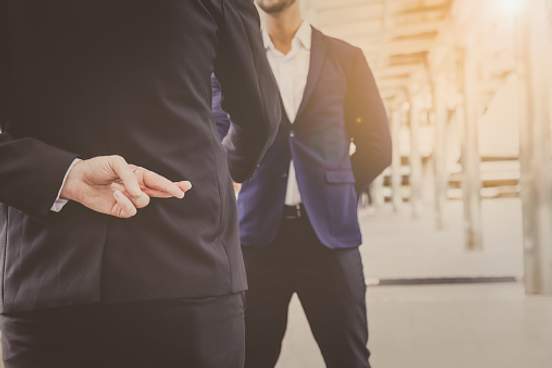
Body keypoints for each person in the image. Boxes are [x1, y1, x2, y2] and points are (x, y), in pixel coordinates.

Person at [0, 1, 280, 367]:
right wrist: (230, 173)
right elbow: (258, 113)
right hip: (185, 261)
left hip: (43, 275)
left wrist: (63, 175)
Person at [213, 0, 391, 367]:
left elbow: (377, 145)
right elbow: (214, 142)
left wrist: (338, 191)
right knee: (249, 358)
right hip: (256, 241)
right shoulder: (232, 63)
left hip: (330, 241)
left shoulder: (346, 58)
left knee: (349, 358)